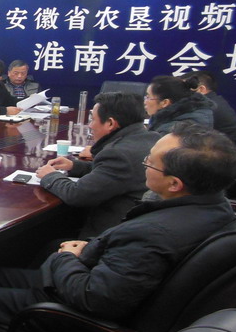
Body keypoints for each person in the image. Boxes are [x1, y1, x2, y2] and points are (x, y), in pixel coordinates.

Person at [0, 122, 236, 332]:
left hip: (73, 314)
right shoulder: (217, 206)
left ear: (174, 184)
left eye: (150, 162)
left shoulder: (153, 235)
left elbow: (92, 299)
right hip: (95, 275)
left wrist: (68, 256)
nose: (144, 164)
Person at [36, 92, 160, 238]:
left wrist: (50, 176)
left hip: (110, 234)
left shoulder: (119, 154)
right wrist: (74, 166)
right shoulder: (152, 138)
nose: (90, 125)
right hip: (142, 226)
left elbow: (77, 195)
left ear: (110, 123)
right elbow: (111, 174)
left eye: (93, 119)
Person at [181, 70, 236, 171]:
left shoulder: (208, 108)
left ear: (201, 89)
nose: (179, 94)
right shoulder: (214, 101)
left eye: (184, 89)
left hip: (233, 167)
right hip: (232, 160)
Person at [145, 75, 214, 134]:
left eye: (148, 97)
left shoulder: (171, 132)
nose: (145, 102)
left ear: (165, 102)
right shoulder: (195, 113)